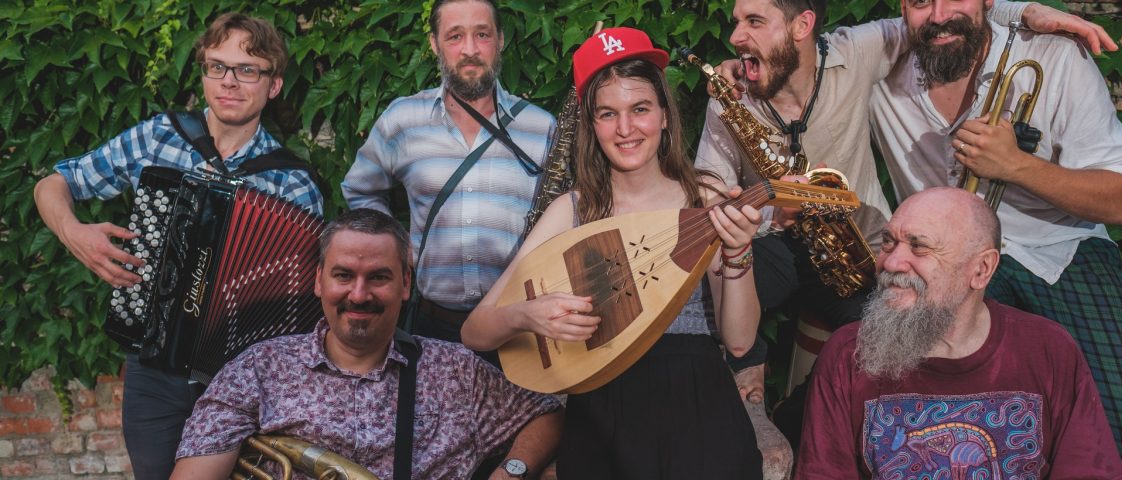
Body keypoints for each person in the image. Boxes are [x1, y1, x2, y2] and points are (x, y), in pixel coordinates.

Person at [698, 0, 1115, 428]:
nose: (735, 37)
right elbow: (709, 202)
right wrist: (771, 215)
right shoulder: (731, 95)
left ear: (802, 25)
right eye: (737, 22)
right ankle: (741, 403)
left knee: (882, 343)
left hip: (856, 247)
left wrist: (1023, 11)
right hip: (773, 240)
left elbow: (947, 18)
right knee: (698, 304)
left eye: (754, 21)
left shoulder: (857, 51)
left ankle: (795, 424)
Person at [866, 0, 1122, 476]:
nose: (938, 15)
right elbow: (801, 51)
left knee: (1119, 444)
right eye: (920, 1)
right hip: (943, 263)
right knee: (922, 439)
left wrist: (1017, 166)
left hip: (1060, 254)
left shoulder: (1053, 56)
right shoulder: (881, 55)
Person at [461, 27, 764, 479]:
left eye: (640, 109)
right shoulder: (574, 210)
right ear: (591, 125)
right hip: (602, 418)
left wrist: (738, 252)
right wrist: (527, 315)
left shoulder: (705, 199)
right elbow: (475, 331)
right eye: (608, 114)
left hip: (697, 409)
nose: (625, 129)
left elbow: (739, 341)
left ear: (665, 115)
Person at [33, 13, 324, 479]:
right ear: (204, 71)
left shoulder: (293, 182)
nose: (229, 81)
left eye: (247, 70)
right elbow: (54, 183)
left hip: (244, 382)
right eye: (217, 66)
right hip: (154, 368)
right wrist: (75, 233)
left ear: (273, 85)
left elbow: (303, 307)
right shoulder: (159, 137)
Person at [170, 208, 563, 480]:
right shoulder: (260, 368)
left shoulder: (455, 371)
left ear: (406, 284)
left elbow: (547, 414)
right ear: (318, 281)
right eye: (344, 275)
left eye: (378, 277)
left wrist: (512, 472)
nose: (359, 295)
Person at [795, 187, 1122, 478]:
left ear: (981, 269)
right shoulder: (849, 352)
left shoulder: (1047, 350)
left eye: (919, 247)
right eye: (889, 242)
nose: (892, 263)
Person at [341, 0, 555, 345]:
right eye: (455, 36)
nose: (470, 50)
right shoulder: (403, 120)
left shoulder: (541, 127)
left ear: (500, 39)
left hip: (520, 331)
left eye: (482, 34)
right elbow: (360, 189)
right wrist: (395, 246)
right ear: (434, 44)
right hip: (431, 329)